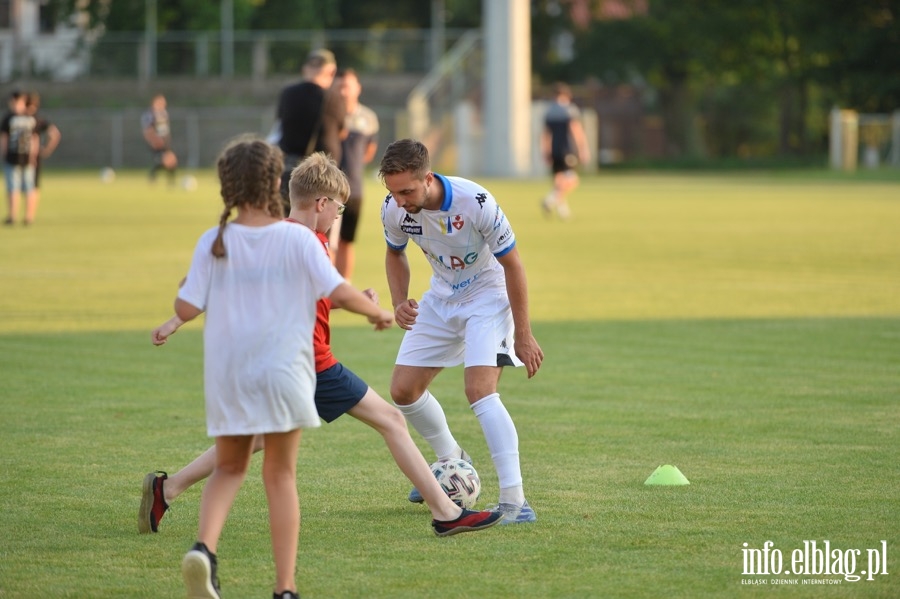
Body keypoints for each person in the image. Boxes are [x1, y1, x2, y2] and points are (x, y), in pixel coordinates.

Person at [140, 153, 501, 542]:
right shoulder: (309, 241)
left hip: (275, 361)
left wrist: (176, 320)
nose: (338, 217)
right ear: (322, 203)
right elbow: (330, 288)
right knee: (392, 421)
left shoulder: (271, 233)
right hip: (312, 364)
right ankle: (446, 512)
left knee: (256, 438)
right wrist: (376, 311)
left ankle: (169, 488)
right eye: (339, 208)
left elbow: (226, 279)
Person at [150, 138, 393, 599]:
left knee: (228, 468)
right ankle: (284, 589)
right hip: (285, 372)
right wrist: (376, 312)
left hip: (229, 375)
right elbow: (337, 291)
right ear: (274, 183)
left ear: (227, 186)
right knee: (279, 476)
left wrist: (178, 310)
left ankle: (204, 549)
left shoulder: (215, 240)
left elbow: (187, 302)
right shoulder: (298, 237)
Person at [378, 139, 544, 525]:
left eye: (406, 191)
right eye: (392, 192)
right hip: (441, 297)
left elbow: (513, 266)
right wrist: (399, 299)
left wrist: (524, 333)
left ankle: (515, 501)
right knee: (403, 390)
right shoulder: (394, 210)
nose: (399, 201)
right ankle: (452, 461)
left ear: (428, 178)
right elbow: (394, 252)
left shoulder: (476, 202)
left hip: (487, 295)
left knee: (479, 390)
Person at [274, 48, 346, 214]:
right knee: (320, 231)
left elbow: (281, 123)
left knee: (287, 223)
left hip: (291, 174)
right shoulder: (334, 97)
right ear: (331, 71)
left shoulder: (287, 94)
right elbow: (341, 132)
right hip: (323, 176)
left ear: (305, 69)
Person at [329, 68, 380, 281]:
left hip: (355, 188)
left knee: (346, 241)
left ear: (357, 88)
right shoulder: (328, 115)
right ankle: (326, 285)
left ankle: (344, 284)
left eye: (347, 86)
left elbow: (370, 150)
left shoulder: (367, 118)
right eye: (339, 86)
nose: (343, 91)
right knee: (326, 239)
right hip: (329, 188)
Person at [540, 82, 590, 219]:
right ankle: (550, 199)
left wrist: (545, 151)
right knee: (573, 180)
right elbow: (576, 131)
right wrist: (583, 149)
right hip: (567, 149)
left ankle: (563, 211)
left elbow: (545, 135)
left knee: (558, 180)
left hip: (554, 151)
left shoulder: (549, 111)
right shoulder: (569, 110)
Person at [1, 90, 39, 226]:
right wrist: (4, 154)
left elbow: (35, 138)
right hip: (12, 157)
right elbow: (4, 138)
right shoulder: (9, 118)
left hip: (26, 158)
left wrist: (34, 155)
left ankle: (28, 217)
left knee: (29, 187)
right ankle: (12, 215)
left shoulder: (28, 117)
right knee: (13, 187)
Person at [25, 92, 61, 220]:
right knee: (32, 187)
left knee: (22, 187)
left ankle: (24, 216)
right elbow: (55, 134)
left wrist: (46, 149)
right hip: (31, 158)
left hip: (24, 158)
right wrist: (46, 150)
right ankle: (29, 216)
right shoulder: (38, 119)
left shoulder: (31, 119)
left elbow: (54, 134)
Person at [141, 94, 177, 185]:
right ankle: (153, 176)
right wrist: (154, 140)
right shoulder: (150, 114)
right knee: (165, 161)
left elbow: (165, 129)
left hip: (165, 142)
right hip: (156, 143)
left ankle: (169, 181)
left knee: (171, 161)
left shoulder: (164, 113)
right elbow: (147, 130)